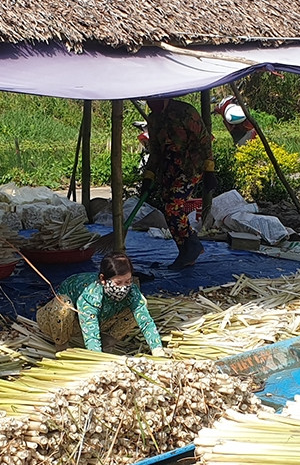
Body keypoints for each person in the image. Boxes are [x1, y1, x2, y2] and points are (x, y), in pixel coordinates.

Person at [36, 252, 165, 356]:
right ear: (103, 279)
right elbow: (91, 331)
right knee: (63, 306)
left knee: (142, 303)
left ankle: (108, 343)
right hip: (60, 322)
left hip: (99, 321)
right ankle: (62, 348)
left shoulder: (132, 292)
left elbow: (145, 321)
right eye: (118, 283)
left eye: (128, 281)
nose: (124, 287)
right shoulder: (91, 294)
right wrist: (98, 359)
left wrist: (157, 350)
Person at [144, 97, 216, 269]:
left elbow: (205, 141)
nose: (150, 104)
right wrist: (149, 176)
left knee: (173, 208)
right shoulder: (154, 119)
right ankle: (185, 250)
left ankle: (192, 246)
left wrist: (209, 170)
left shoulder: (186, 112)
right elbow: (154, 150)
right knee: (169, 211)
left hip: (190, 166)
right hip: (169, 169)